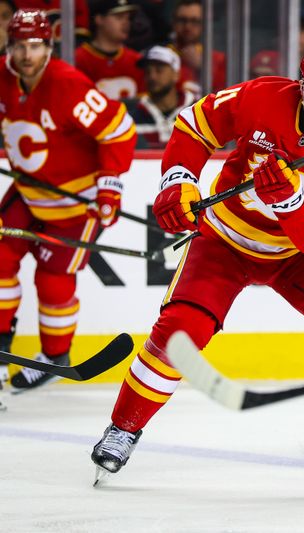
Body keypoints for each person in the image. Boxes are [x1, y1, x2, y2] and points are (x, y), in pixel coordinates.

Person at [90, 39, 304, 488]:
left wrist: (291, 201)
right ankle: (123, 429)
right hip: (224, 239)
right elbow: (195, 126)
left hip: (297, 254)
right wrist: (178, 181)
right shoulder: (261, 98)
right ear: (303, 88)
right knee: (182, 327)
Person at [0, 10, 136, 390]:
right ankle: (1, 349)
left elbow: (119, 131)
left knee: (53, 280)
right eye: (19, 46)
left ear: (49, 46)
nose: (26, 55)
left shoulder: (68, 84)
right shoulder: (2, 76)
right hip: (27, 192)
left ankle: (54, 357)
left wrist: (109, 186)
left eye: (35, 46)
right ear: (8, 46)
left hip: (76, 200)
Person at [123, 45, 196, 149]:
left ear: (176, 74)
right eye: (148, 71)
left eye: (159, 70)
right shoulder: (130, 119)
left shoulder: (197, 112)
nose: (152, 76)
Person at [75, 0, 144, 100]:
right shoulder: (79, 59)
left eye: (128, 18)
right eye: (119, 17)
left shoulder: (137, 61)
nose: (126, 23)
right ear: (99, 19)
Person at [170, 0, 225, 94]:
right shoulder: (160, 58)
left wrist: (202, 68)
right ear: (173, 22)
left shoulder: (219, 60)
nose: (187, 26)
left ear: (204, 24)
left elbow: (225, 96)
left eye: (194, 21)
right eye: (182, 20)